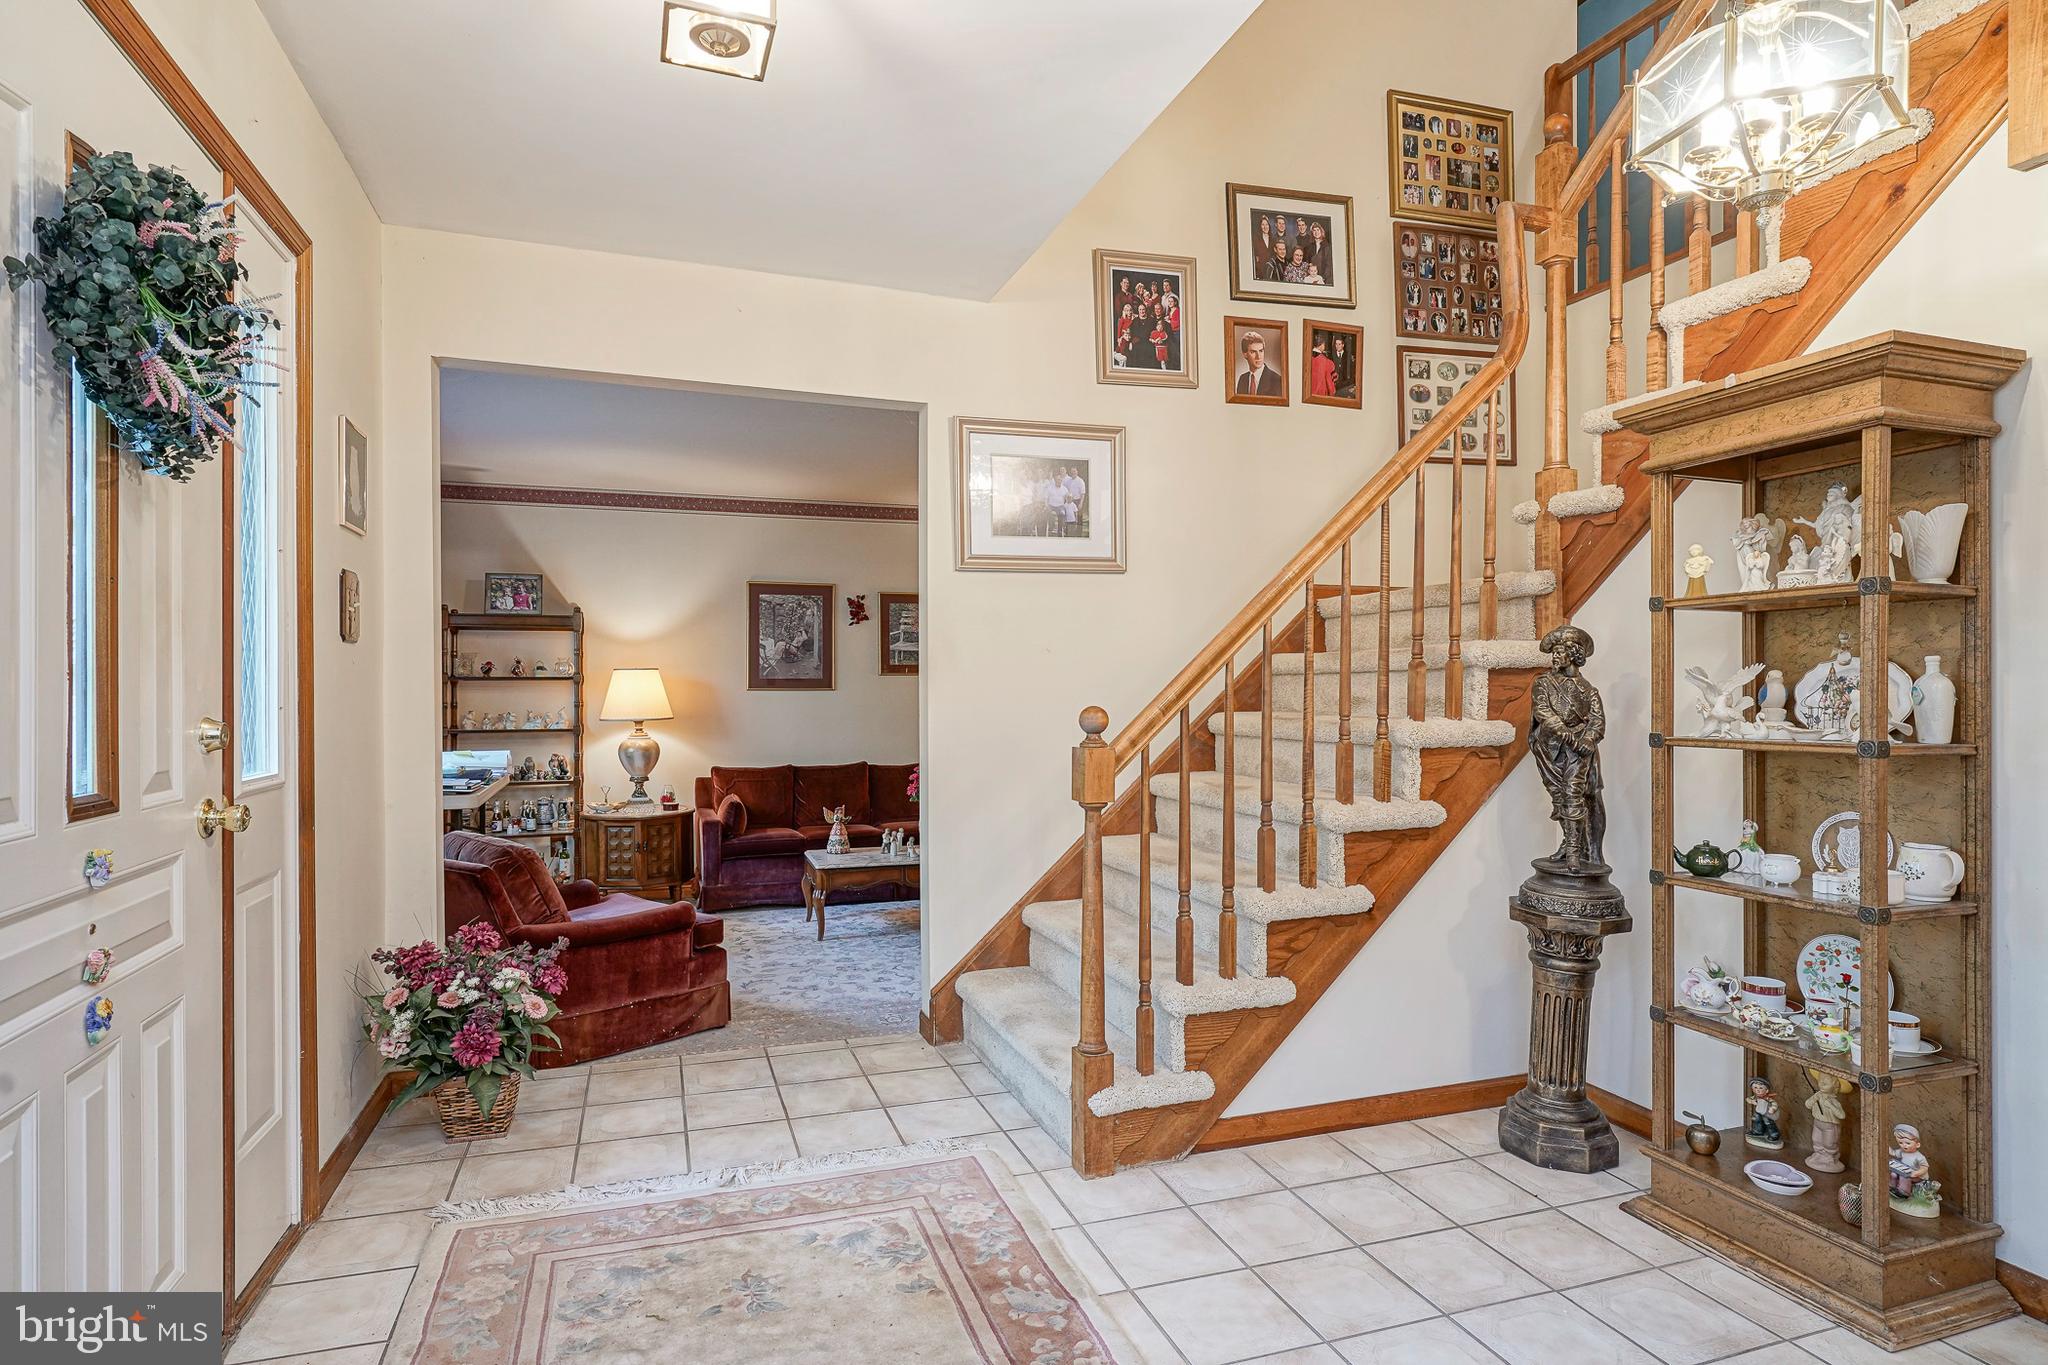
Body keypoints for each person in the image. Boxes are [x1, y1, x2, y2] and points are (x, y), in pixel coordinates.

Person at [1235, 330, 1283, 397]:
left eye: (1261, 351)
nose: (1258, 356)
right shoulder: (1242, 379)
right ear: (1245, 354)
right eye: (1253, 352)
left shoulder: (1277, 380)